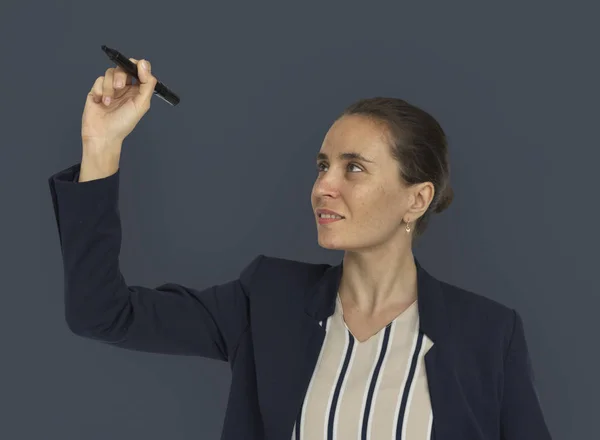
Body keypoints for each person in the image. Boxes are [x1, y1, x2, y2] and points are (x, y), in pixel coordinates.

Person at [48, 58, 553, 440]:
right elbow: (101, 313)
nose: (323, 186)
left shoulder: (488, 335)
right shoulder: (267, 300)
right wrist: (101, 146)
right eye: (322, 166)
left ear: (416, 199)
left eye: (353, 167)